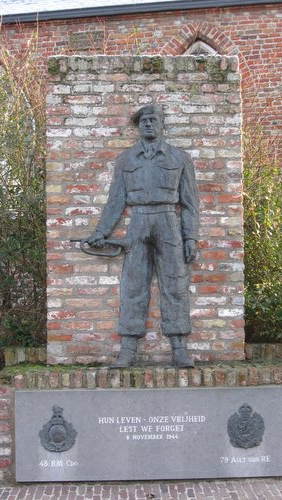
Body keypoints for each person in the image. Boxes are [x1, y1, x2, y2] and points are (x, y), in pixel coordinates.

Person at [85, 104, 199, 367]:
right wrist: (101, 232)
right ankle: (128, 349)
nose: (148, 124)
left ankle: (179, 348)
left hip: (168, 220)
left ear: (161, 124)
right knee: (133, 286)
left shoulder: (179, 158)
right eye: (143, 121)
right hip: (138, 221)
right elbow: (115, 200)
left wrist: (190, 237)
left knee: (175, 284)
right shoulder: (126, 159)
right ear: (138, 127)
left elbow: (191, 203)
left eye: (153, 119)